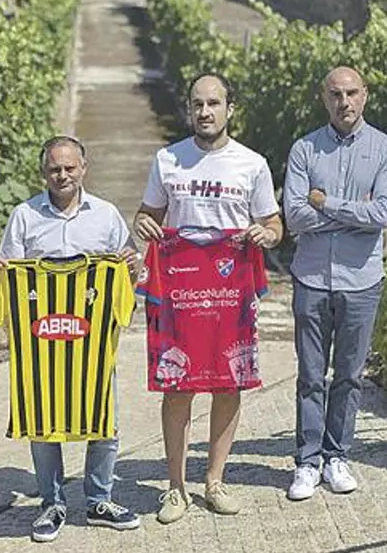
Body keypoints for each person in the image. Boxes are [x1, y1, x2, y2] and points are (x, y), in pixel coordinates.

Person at [134, 73, 284, 524]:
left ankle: (215, 481)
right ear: (189, 109)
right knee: (178, 387)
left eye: (214, 103)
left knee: (227, 384)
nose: (205, 112)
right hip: (179, 293)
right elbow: (147, 214)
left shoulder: (252, 164)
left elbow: (274, 224)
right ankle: (175, 488)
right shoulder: (168, 160)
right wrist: (143, 224)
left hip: (230, 292)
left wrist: (267, 235)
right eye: (198, 104)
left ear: (229, 109)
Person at [0, 135, 141, 542]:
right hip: (40, 346)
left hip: (93, 344)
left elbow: (132, 274)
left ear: (83, 169)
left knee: (103, 418)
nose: (62, 175)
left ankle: (99, 500)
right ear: (44, 172)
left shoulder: (107, 215)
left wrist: (132, 265)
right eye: (55, 168)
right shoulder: (24, 216)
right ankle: (52, 503)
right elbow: (8, 272)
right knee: (43, 422)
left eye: (69, 168)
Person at [283, 67, 387, 500]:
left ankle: (337, 456)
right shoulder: (304, 149)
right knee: (311, 375)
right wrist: (354, 213)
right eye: (336, 94)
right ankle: (307, 461)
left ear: (365, 95)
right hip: (312, 277)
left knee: (349, 375)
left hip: (361, 280)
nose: (344, 102)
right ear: (324, 98)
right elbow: (295, 216)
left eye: (352, 93)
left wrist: (325, 202)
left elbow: (382, 215)